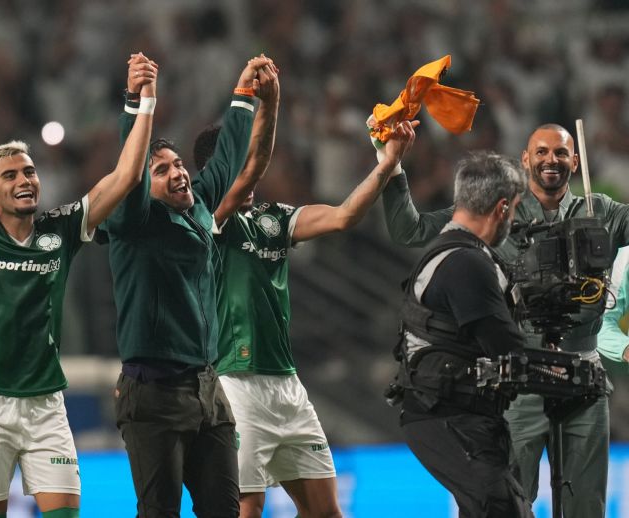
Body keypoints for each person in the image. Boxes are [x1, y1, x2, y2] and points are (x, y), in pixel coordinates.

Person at [0, 27, 156, 517]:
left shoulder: (62, 229)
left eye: (30, 171)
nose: (25, 180)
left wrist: (144, 101)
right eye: (10, 175)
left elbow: (126, 176)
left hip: (44, 403)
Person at [380, 124, 629, 517]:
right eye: (541, 152)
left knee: (586, 506)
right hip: (520, 375)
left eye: (561, 153)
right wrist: (391, 167)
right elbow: (408, 228)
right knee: (510, 500)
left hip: (584, 373)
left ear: (576, 161)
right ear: (525, 160)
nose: (551, 160)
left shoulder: (601, 212)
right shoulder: (499, 207)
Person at [210, 113, 417, 518]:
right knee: (247, 507)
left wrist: (387, 163)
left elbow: (343, 216)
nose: (250, 175)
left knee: (326, 512)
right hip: (236, 383)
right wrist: (269, 102)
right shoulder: (207, 222)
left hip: (287, 386)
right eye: (238, 165)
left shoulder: (273, 219)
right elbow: (253, 165)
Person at [102, 54, 271, 517]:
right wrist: (138, 102)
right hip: (154, 393)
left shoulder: (197, 208)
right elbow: (128, 176)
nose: (178, 172)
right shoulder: (134, 222)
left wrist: (244, 94)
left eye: (178, 164)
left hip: (207, 388)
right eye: (161, 170)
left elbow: (228, 155)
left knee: (224, 510)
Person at [392, 152, 533, 517]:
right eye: (515, 209)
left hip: (457, 415)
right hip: (446, 415)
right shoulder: (466, 262)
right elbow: (505, 346)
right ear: (502, 207)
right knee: (501, 508)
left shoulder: (460, 253)